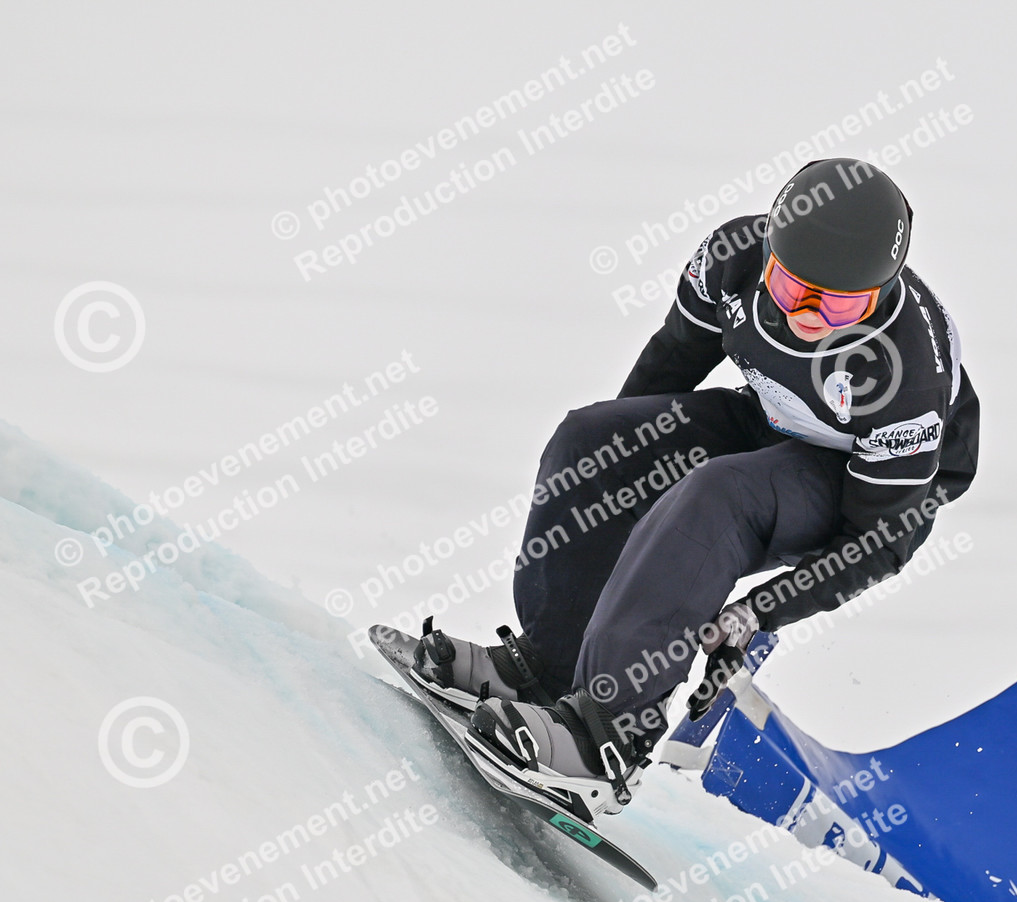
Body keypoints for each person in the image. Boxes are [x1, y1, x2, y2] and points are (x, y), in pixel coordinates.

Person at [410, 157, 979, 814]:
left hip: (867, 489)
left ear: (882, 292)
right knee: (593, 443)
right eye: (791, 289)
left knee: (718, 499)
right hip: (777, 415)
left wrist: (760, 610)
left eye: (842, 304)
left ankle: (609, 736)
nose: (811, 316)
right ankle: (551, 670)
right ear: (767, 254)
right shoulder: (731, 260)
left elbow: (883, 539)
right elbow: (669, 367)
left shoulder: (908, 371)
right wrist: (619, 474)